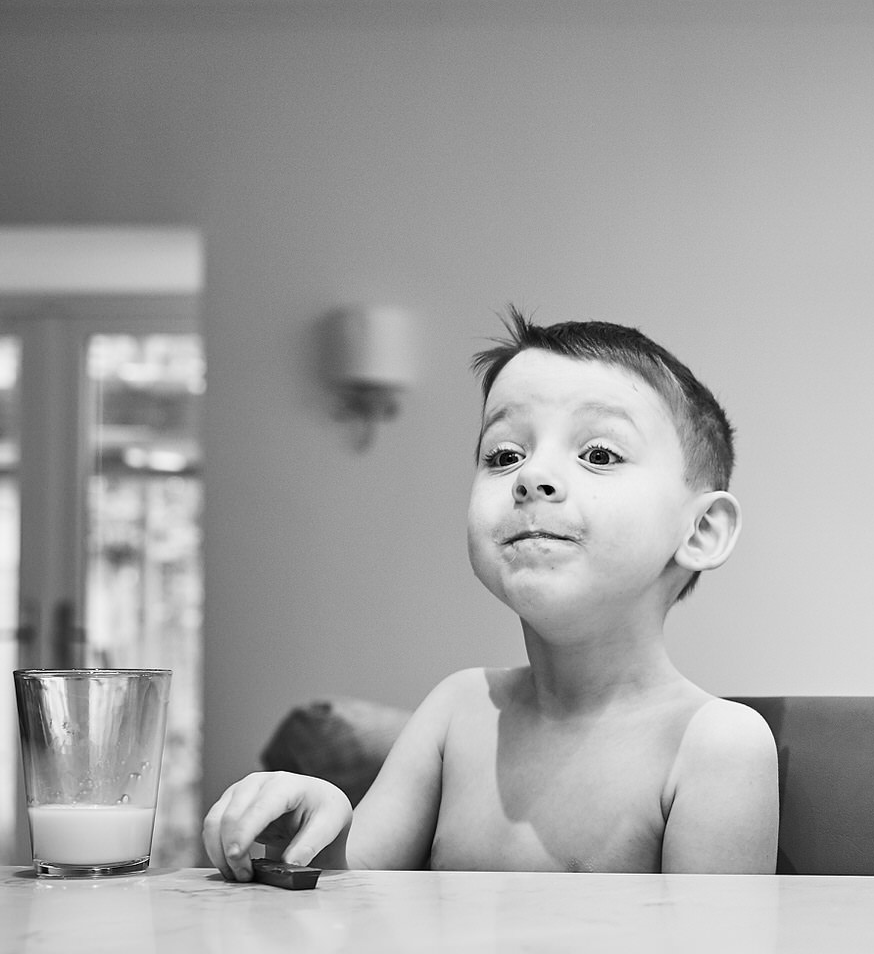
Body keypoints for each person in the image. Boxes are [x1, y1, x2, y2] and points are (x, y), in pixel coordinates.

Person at [204, 310, 779, 876]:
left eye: (599, 455)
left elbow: (709, 942)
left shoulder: (716, 744)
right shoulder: (458, 710)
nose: (531, 477)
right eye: (505, 456)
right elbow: (356, 893)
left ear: (701, 531)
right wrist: (315, 827)